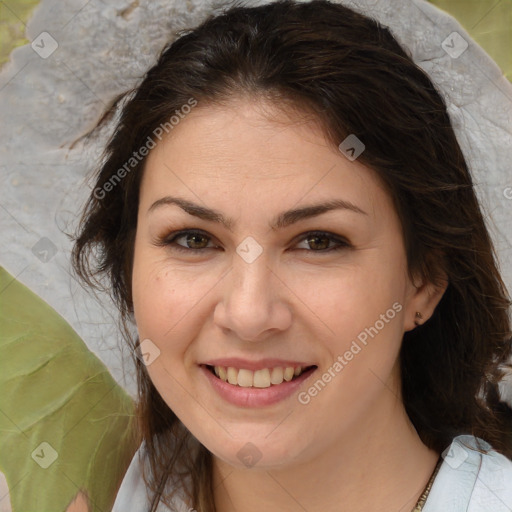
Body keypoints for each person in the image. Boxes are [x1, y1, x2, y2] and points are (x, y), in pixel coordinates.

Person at [71, 0, 512, 510]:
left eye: (318, 241)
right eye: (193, 239)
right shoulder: (63, 487)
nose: (249, 314)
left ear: (424, 279)